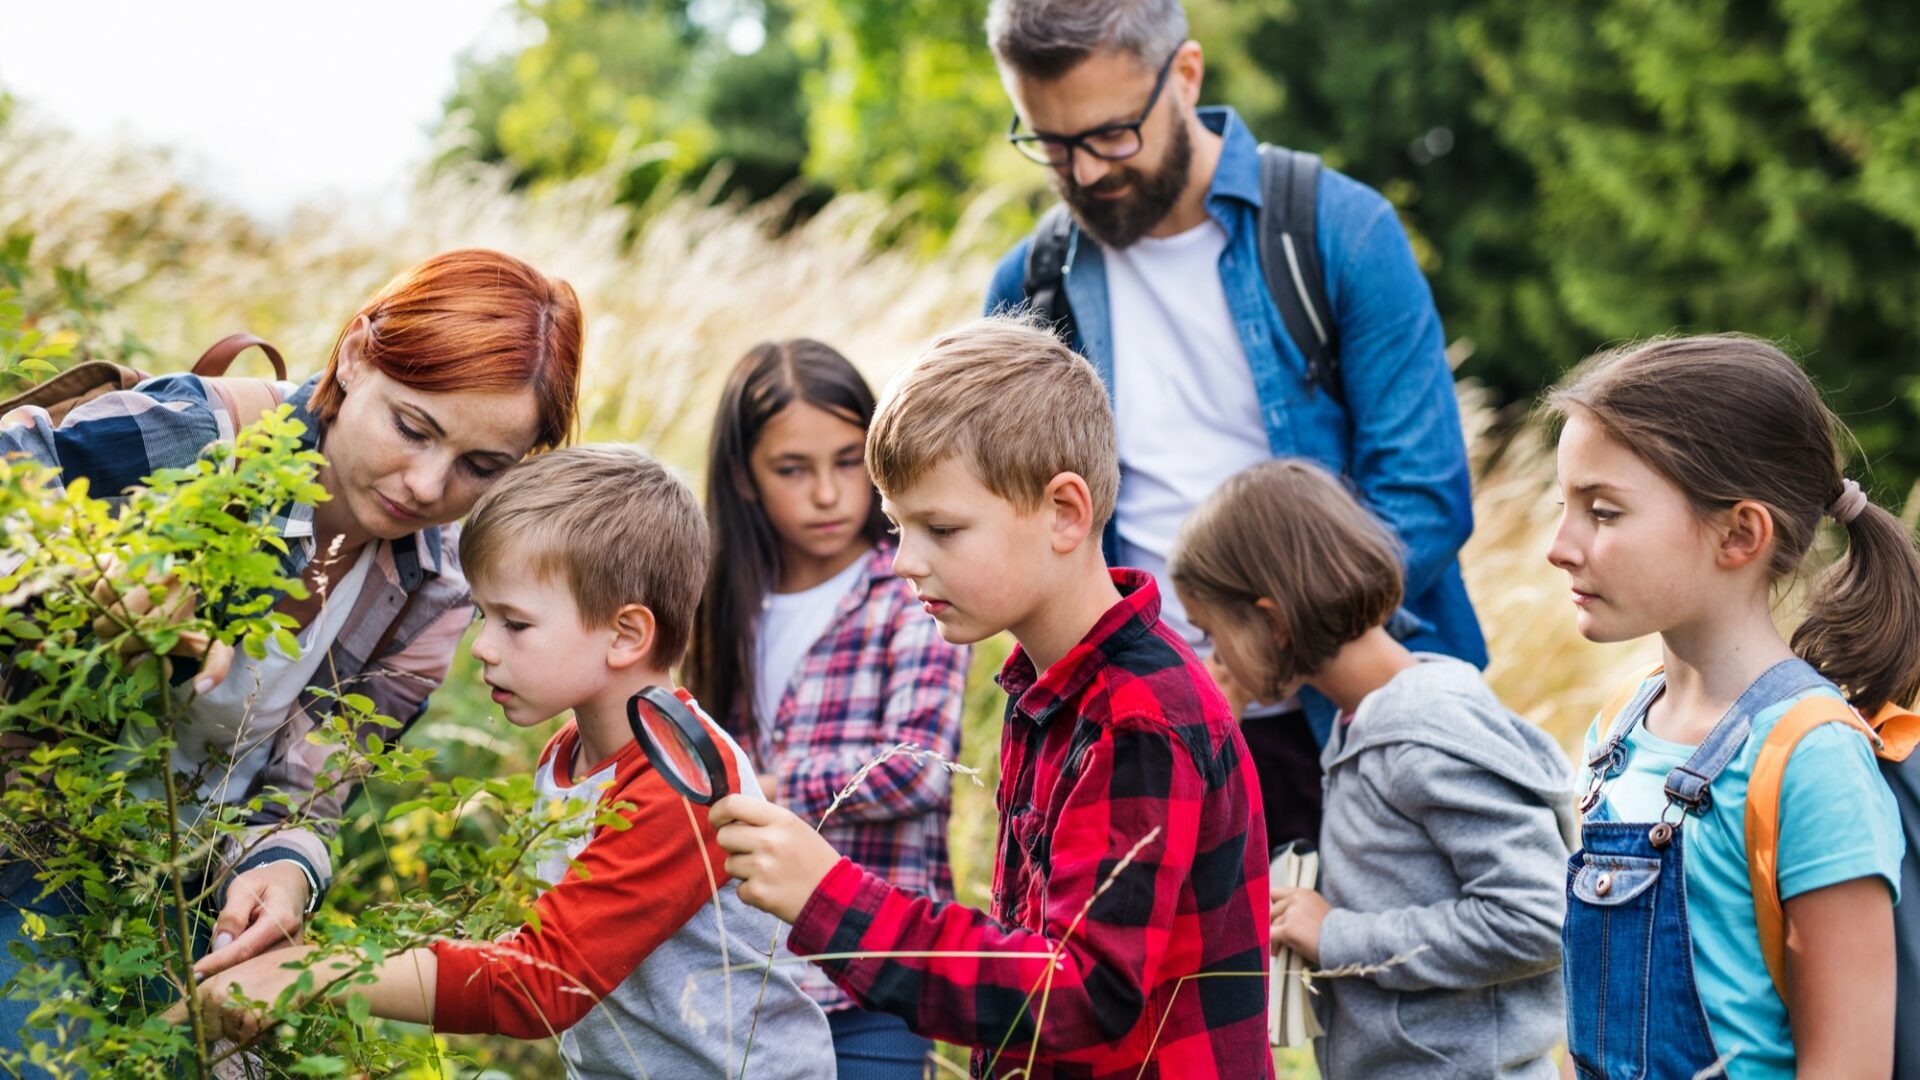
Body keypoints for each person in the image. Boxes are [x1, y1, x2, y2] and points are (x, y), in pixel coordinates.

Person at [0, 249, 583, 1066]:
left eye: (479, 468)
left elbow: (311, 788)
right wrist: (93, 568)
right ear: (353, 355)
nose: (425, 485)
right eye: (412, 427)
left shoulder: (436, 587)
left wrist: (285, 872)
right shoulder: (205, 436)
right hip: (31, 839)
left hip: (178, 884)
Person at [981, 0, 1485, 850]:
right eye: (1052, 146)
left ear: (1184, 75)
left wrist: (1259, 651)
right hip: (1138, 733)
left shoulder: (1337, 230)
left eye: (1110, 136)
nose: (1087, 173)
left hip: (1358, 724)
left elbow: (1427, 495)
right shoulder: (1030, 287)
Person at [710, 316, 1272, 1079]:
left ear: (1065, 514)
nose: (906, 562)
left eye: (941, 528)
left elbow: (1075, 993)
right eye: (897, 526)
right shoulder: (1046, 686)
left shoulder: (1139, 717)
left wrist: (829, 897)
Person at [182, 444, 834, 1078]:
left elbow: (539, 984)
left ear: (626, 633)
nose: (484, 649)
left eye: (515, 624)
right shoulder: (571, 756)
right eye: (482, 616)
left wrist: (313, 973)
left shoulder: (679, 779)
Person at [1546, 335, 1913, 1077]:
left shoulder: (1810, 758)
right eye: (1564, 506)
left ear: (1740, 533)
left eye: (1604, 512)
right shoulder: (1618, 725)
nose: (1559, 545)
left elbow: (1848, 1064)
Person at [1168, 458, 1569, 1078]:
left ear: (1272, 622)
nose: (1213, 658)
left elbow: (1539, 918)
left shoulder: (1422, 735)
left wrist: (1339, 936)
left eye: (1212, 634)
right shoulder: (1359, 725)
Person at [685, 339, 970, 1076]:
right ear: (744, 477)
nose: (827, 493)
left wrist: (761, 791)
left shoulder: (913, 589)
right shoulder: (717, 604)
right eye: (792, 469)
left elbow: (919, 769)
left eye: (849, 461)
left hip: (872, 983)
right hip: (741, 987)